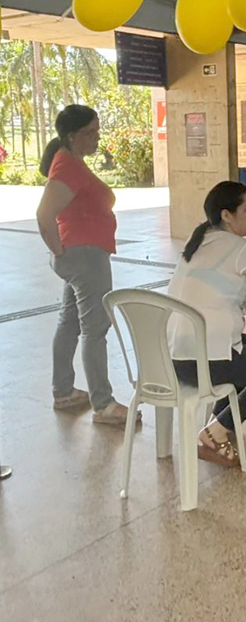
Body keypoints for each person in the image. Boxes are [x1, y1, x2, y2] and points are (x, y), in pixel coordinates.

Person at [169, 181, 246, 467]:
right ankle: (215, 433)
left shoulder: (196, 242)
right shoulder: (245, 248)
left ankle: (220, 420)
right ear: (227, 215)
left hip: (173, 356)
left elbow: (237, 284)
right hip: (204, 362)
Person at [37, 104, 135, 426]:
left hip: (82, 253)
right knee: (95, 329)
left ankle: (64, 391)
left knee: (70, 322)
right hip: (85, 256)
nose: (96, 137)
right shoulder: (67, 166)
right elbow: (44, 214)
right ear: (71, 136)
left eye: (97, 130)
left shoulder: (70, 162)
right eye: (90, 132)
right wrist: (60, 251)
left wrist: (64, 253)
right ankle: (103, 404)